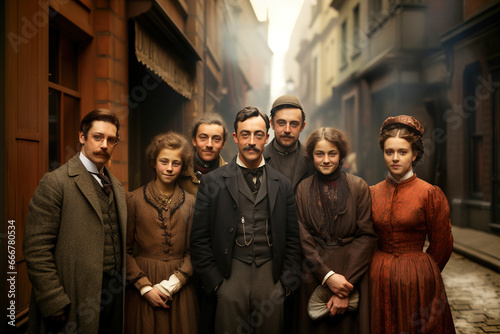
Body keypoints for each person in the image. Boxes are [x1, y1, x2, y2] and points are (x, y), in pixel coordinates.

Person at [190, 106, 302, 334]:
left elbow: (292, 239)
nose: (252, 141)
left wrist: (285, 286)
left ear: (267, 137)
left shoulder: (283, 184)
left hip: (271, 277)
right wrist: (217, 285)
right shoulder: (212, 182)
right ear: (235, 137)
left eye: (258, 135)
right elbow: (199, 240)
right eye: (245, 134)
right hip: (229, 276)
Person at [23, 109, 126, 333]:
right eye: (97, 137)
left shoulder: (116, 186)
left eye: (111, 139)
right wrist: (54, 301)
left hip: (114, 296)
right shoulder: (56, 182)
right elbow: (36, 248)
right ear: (82, 137)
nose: (104, 145)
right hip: (73, 298)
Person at [370, 115, 455, 333]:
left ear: (414, 154)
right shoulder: (372, 193)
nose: (395, 158)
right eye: (389, 152)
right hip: (378, 277)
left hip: (417, 280)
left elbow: (442, 244)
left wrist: (422, 273)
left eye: (402, 152)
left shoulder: (429, 193)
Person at [295, 127, 377, 334]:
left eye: (332, 153)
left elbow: (366, 236)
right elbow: (303, 237)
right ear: (312, 155)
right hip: (315, 272)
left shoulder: (359, 187)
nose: (326, 160)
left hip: (352, 272)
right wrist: (328, 276)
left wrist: (344, 286)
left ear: (340, 155)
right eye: (319, 154)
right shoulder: (302, 189)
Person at [125, 132, 198, 334]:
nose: (169, 168)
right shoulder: (134, 199)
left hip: (181, 289)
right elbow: (124, 251)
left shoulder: (191, 202)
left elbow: (196, 250)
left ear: (182, 166)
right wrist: (145, 287)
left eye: (176, 163)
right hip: (143, 287)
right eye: (164, 161)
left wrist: (173, 284)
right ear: (154, 162)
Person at [263, 94, 315, 193]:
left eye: (294, 124)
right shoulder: (259, 160)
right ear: (272, 124)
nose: (287, 130)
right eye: (281, 123)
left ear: (302, 126)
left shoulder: (313, 161)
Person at [178, 113, 227, 195]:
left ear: (223, 144)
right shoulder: (179, 171)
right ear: (194, 141)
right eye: (203, 138)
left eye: (216, 139)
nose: (209, 145)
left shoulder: (231, 176)